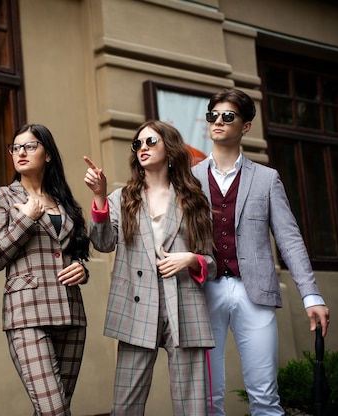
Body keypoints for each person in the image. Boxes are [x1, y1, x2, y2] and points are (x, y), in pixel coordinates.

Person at [191, 88, 330, 416]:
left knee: (265, 397)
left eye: (228, 116)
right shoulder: (189, 178)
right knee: (206, 397)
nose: (218, 122)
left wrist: (311, 296)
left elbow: (289, 238)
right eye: (213, 116)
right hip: (202, 290)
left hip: (254, 291)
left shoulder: (267, 179)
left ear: (246, 126)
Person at [84, 120, 216, 416]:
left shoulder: (194, 200)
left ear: (169, 149)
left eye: (150, 142)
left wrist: (191, 260)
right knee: (126, 404)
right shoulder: (123, 197)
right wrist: (99, 197)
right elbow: (103, 243)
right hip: (135, 304)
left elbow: (212, 261)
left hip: (184, 303)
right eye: (138, 144)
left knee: (192, 404)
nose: (142, 148)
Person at [0, 124, 91, 416]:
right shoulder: (0, 198)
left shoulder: (66, 203)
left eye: (29, 146)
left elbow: (75, 253)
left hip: (71, 315)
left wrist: (81, 269)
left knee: (54, 409)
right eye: (15, 147)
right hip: (27, 315)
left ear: (47, 155)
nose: (20, 152)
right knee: (55, 411)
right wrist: (26, 219)